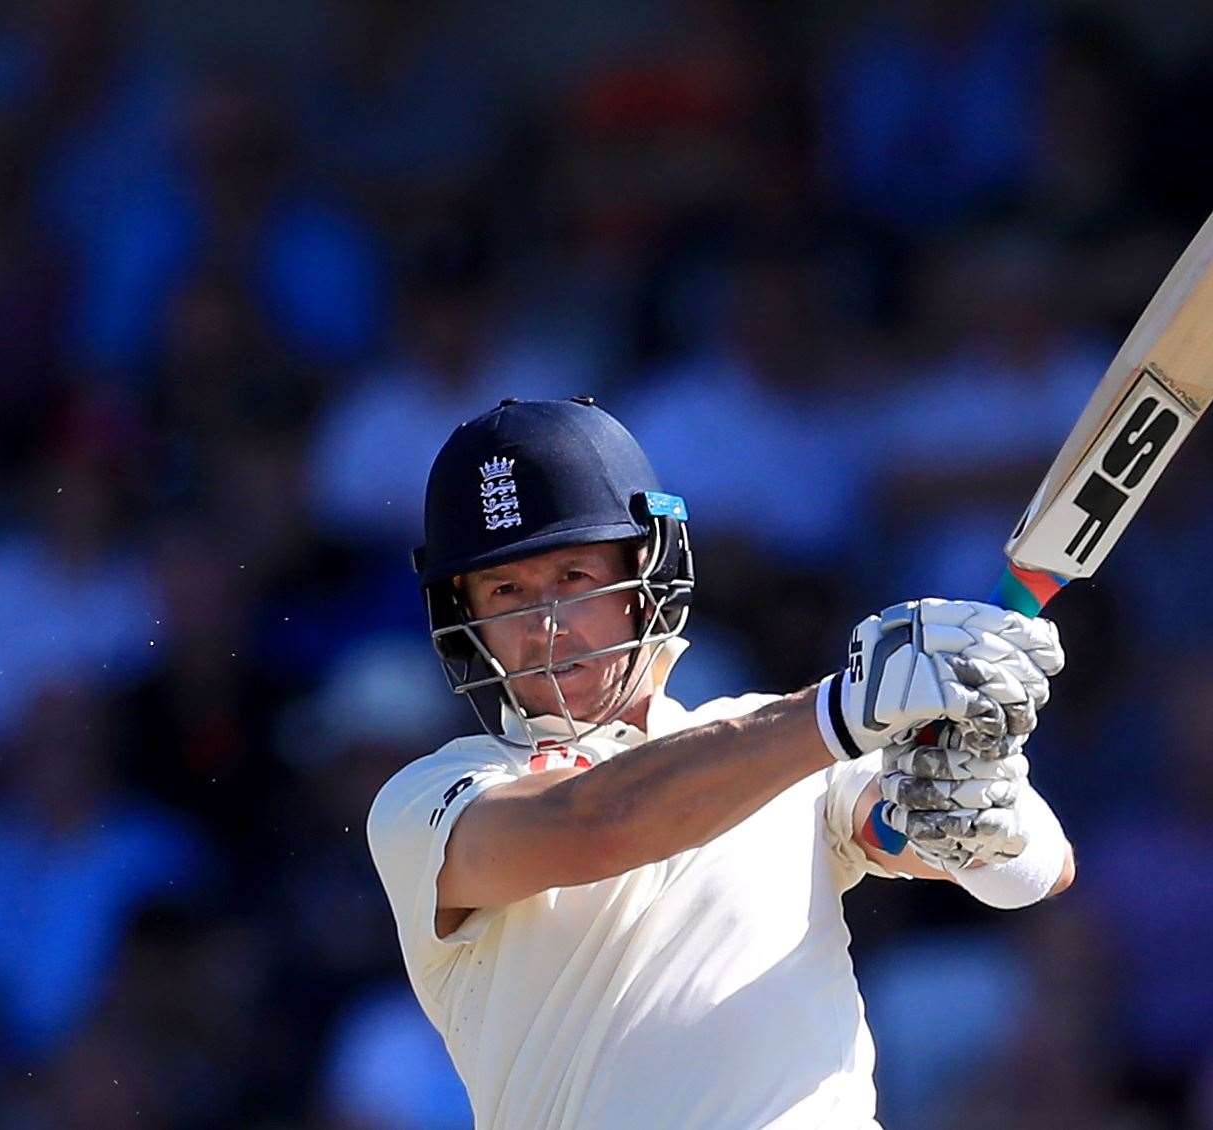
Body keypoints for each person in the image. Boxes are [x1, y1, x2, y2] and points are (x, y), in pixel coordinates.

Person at [365, 397, 1075, 1129]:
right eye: (506, 591)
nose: (545, 626)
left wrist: (979, 801)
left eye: (575, 576)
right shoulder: (428, 800)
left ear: (650, 568)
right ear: (463, 616)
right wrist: (838, 712)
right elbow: (596, 823)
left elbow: (1032, 873)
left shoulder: (788, 756)